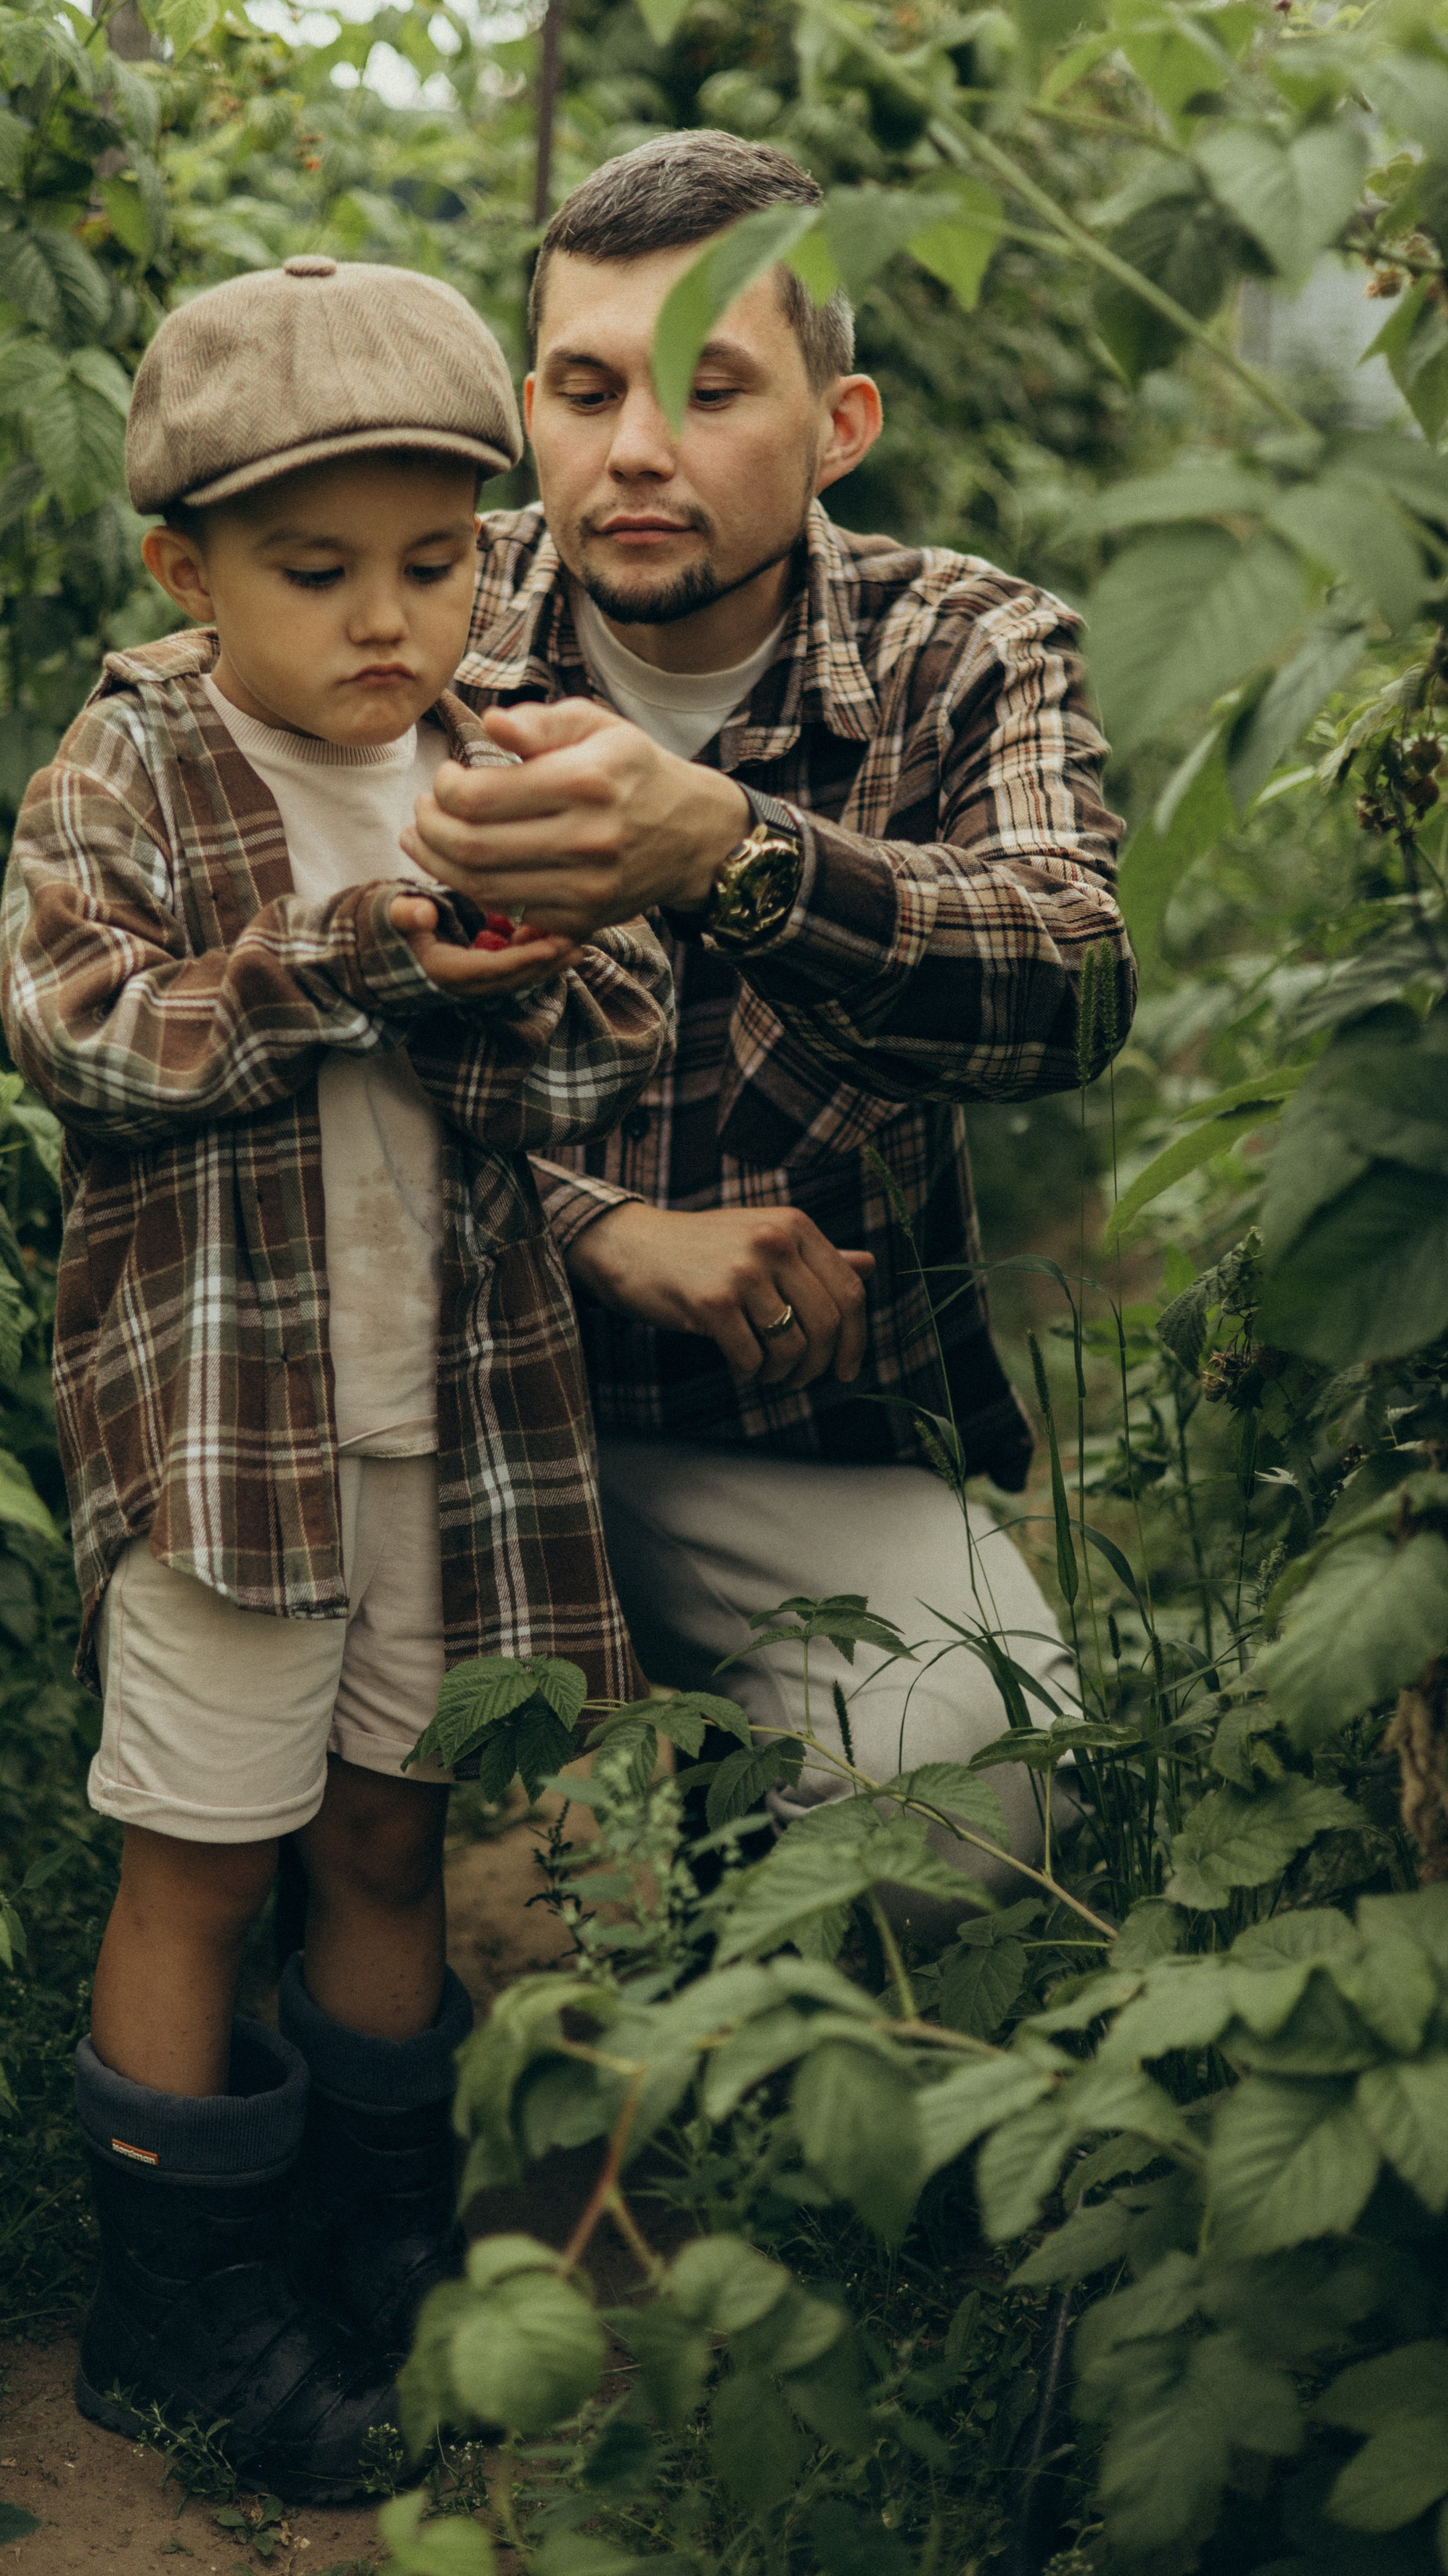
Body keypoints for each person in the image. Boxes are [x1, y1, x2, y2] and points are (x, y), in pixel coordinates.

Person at [0, 254, 669, 2496]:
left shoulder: (495, 758)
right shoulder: (140, 759)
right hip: (226, 1440)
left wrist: (533, 972)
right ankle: (176, 2308)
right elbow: (81, 1029)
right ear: (187, 573)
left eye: (439, 562)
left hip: (452, 1420)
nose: (392, 624)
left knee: (393, 1828)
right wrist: (340, 954)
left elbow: (628, 1031)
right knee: (201, 1852)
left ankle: (377, 2224)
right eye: (317, 573)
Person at [401, 131, 1136, 1878]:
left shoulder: (961, 649)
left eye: (707, 388)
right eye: (585, 390)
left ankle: (769, 2049)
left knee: (983, 1779)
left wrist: (728, 849)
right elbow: (260, 999)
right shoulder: (411, 614)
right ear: (527, 411)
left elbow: (1068, 980)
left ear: (838, 423)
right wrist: (586, 1226)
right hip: (424, 1386)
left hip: (781, 1437)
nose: (634, 449)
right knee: (401, 1878)